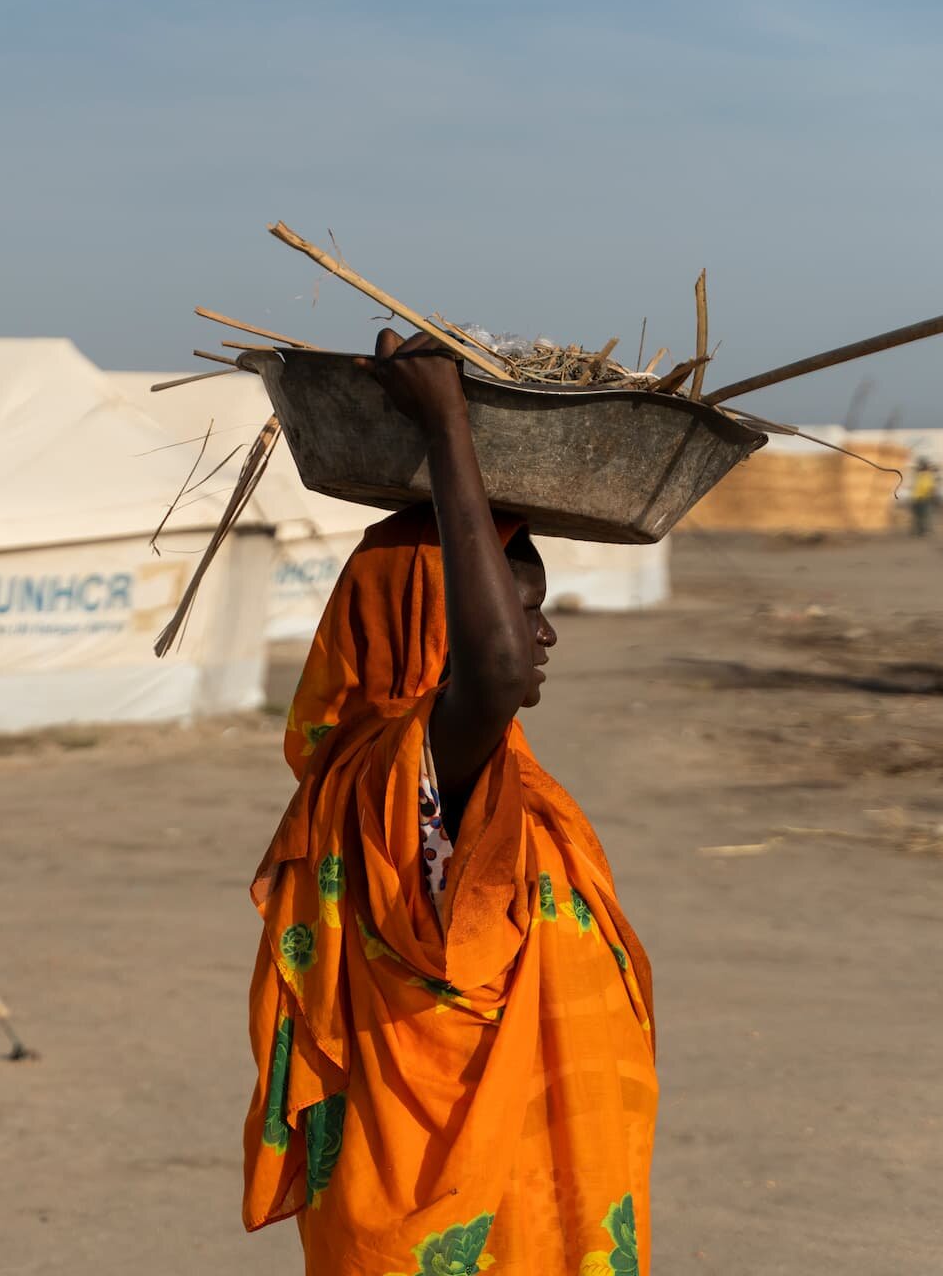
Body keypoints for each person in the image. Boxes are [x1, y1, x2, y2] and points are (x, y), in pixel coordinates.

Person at [244, 329, 656, 1274]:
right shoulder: (408, 772)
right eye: (519, 608)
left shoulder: (484, 780)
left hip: (482, 1195)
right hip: (455, 1212)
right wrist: (445, 427)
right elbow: (496, 674)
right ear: (434, 624)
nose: (543, 635)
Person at [910, 460, 938, 537]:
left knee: (921, 515)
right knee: (923, 515)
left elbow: (928, 487)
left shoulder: (921, 475)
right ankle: (922, 530)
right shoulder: (926, 475)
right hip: (922, 497)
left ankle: (922, 530)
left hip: (920, 497)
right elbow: (930, 487)